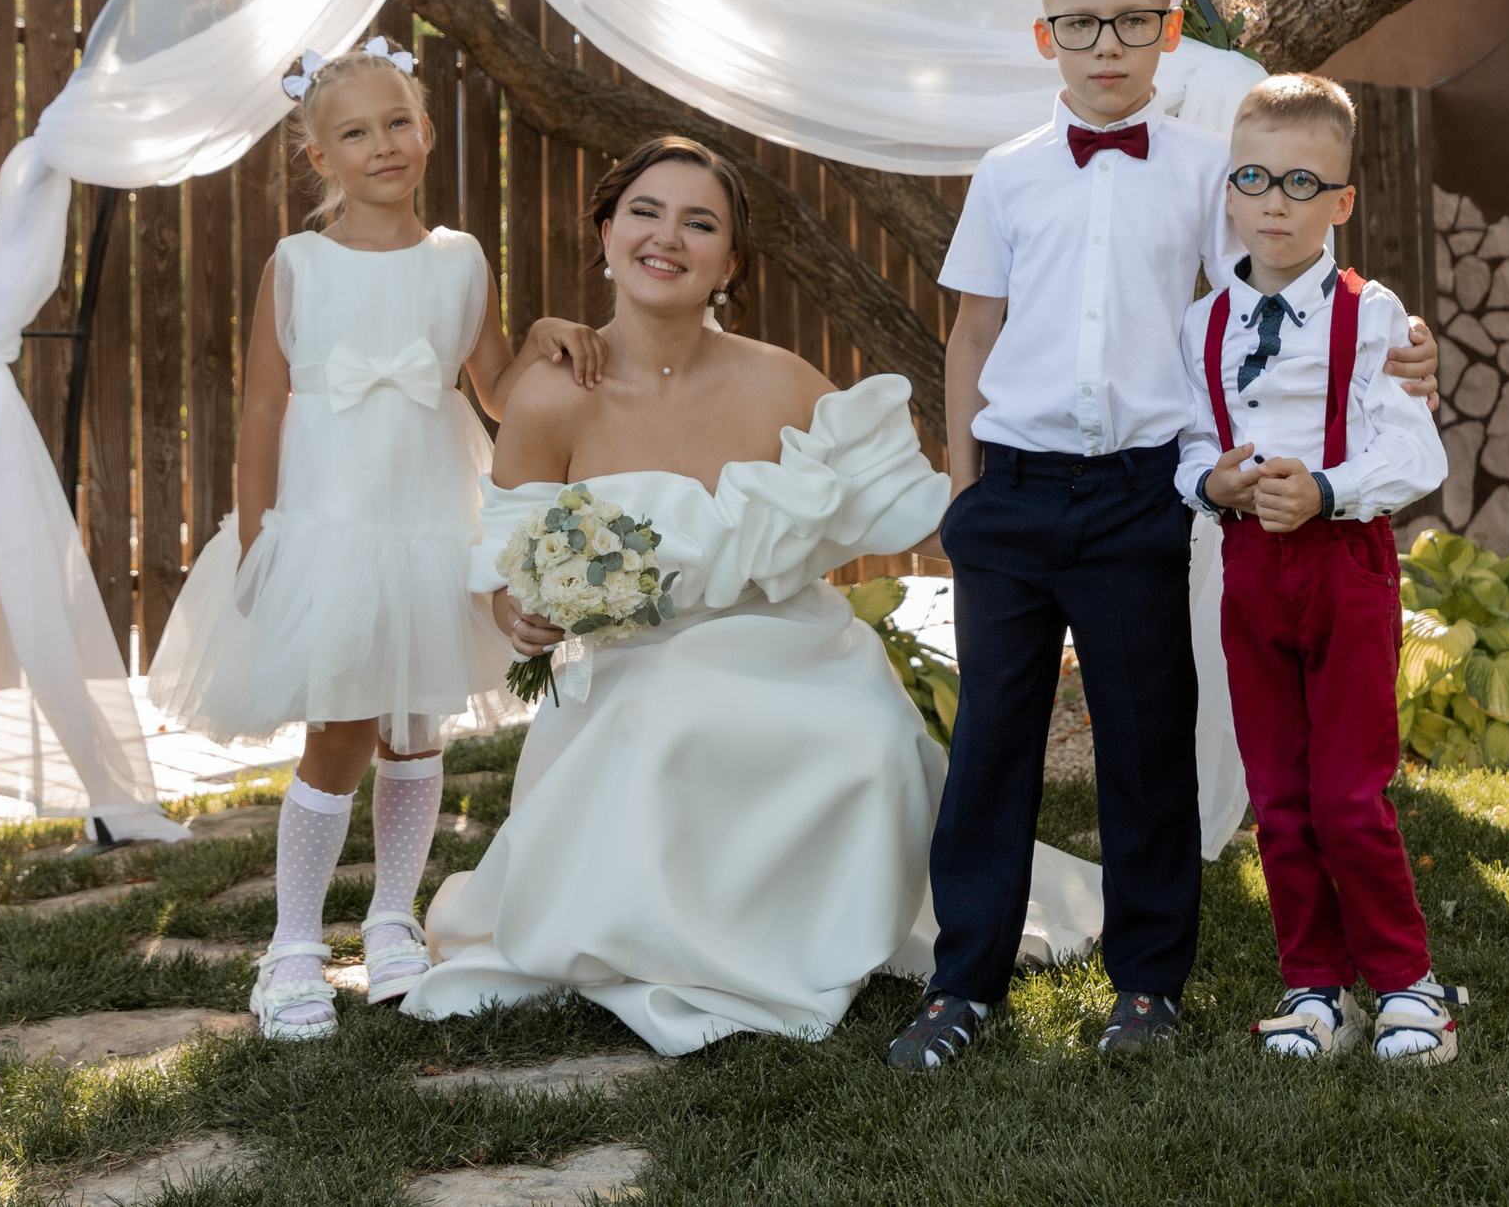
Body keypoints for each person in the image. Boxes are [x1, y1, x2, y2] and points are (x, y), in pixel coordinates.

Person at [402, 136, 1104, 1055]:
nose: (668, 237)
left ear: (729, 262)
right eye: (645, 213)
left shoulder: (781, 379)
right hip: (638, 663)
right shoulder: (550, 397)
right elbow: (504, 562)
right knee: (668, 712)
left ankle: (825, 929)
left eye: (700, 223)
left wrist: (1048, 533)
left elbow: (908, 502)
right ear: (606, 234)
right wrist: (519, 613)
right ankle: (683, 941)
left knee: (876, 737)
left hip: (795, 642)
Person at [896, 0, 1439, 1070]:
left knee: (1147, 744)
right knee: (991, 742)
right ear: (1044, 35)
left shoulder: (1208, 172)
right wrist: (962, 489)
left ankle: (1147, 983)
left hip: (1143, 494)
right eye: (1080, 24)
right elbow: (971, 333)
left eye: (1132, 21)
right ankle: (961, 983)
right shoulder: (1006, 174)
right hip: (1011, 492)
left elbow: (1275, 303)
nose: (1107, 46)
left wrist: (1395, 347)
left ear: (1170, 30)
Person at [149, 37, 600, 1042]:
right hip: (332, 527)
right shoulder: (297, 265)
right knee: (339, 730)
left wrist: (539, 338)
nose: (383, 144)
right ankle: (291, 944)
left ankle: (393, 920)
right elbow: (261, 409)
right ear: (321, 157)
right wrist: (261, 537)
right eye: (355, 133)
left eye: (398, 122)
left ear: (427, 132)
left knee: (415, 729)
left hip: (429, 519)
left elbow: (495, 391)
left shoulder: (460, 261)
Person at [1179, 72, 1461, 1064]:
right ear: (1229, 191)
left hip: (1344, 563)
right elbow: (1189, 439)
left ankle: (1407, 984)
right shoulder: (1203, 324)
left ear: (1341, 202)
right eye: (1254, 178)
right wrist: (1210, 482)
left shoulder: (1373, 315)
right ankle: (1314, 987)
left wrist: (1329, 490)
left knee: (1347, 794)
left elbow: (1416, 453)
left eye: (1303, 183)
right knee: (1279, 793)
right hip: (1247, 568)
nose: (1275, 202)